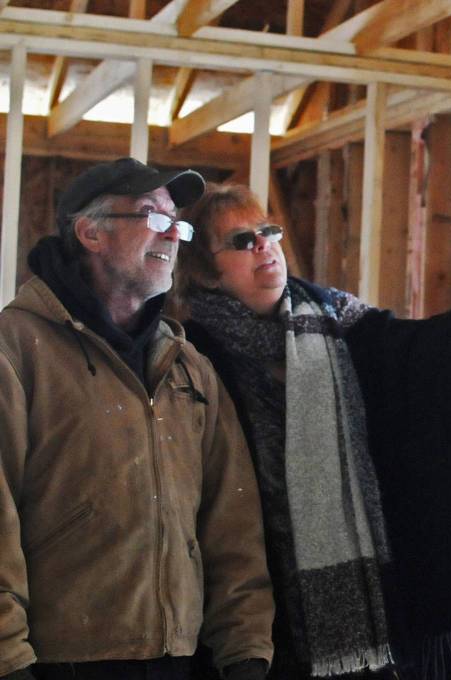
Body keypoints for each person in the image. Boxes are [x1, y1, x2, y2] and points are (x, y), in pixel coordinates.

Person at [177, 183, 451, 680]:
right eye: (240, 241)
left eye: (268, 231)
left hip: (382, 607)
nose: (264, 245)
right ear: (206, 273)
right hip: (267, 619)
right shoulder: (193, 357)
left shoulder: (335, 320)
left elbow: (430, 358)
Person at [0, 160, 274, 680]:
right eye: (152, 216)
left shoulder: (187, 366)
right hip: (57, 662)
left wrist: (246, 651)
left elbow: (232, 523)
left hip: (180, 659)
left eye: (179, 222)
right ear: (91, 232)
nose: (173, 234)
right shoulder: (15, 350)